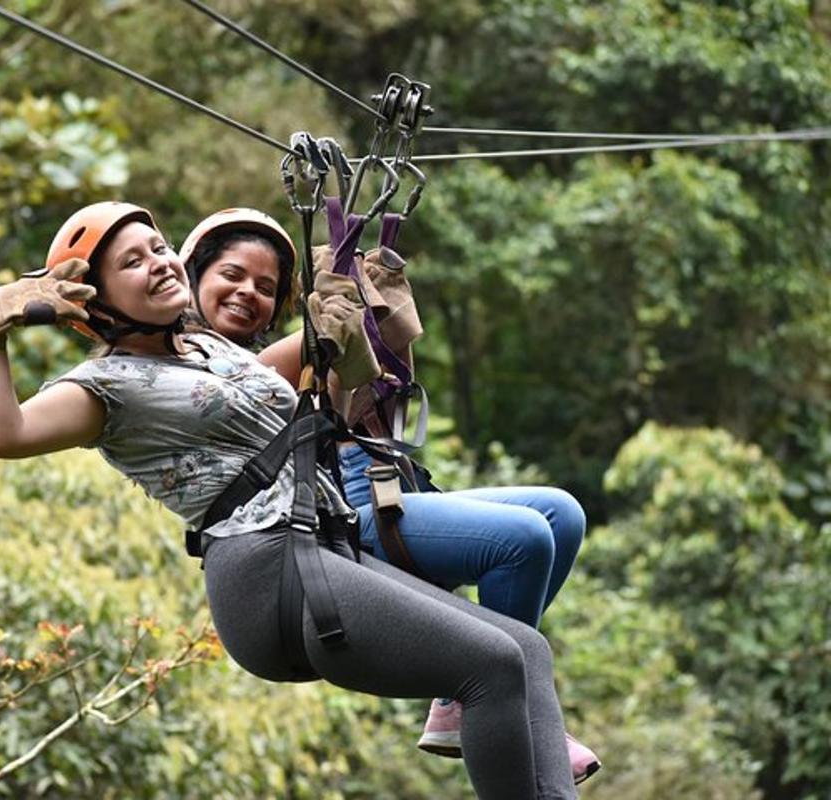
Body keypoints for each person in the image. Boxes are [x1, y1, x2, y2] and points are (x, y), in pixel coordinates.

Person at [0, 201, 579, 799]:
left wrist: (358, 303)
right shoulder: (105, 388)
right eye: (131, 263)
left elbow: (336, 362)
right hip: (265, 575)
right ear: (94, 304)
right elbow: (4, 435)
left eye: (157, 248)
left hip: (323, 549)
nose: (156, 262)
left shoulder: (218, 353)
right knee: (491, 662)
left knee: (525, 649)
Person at [180, 208, 599, 784]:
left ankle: (489, 694)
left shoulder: (278, 358)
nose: (247, 292)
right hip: (341, 521)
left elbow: (328, 358)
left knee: (561, 513)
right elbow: (274, 366)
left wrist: (370, 302)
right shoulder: (199, 372)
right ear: (193, 277)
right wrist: (338, 318)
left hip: (380, 488)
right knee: (522, 541)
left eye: (265, 287)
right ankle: (485, 698)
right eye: (231, 275)